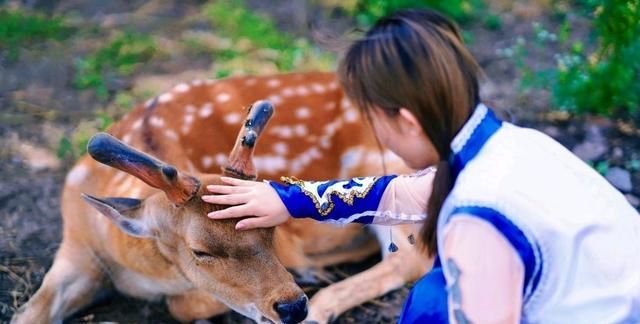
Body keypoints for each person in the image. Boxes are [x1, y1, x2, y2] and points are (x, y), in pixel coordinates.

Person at [202, 9, 640, 323]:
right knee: (436, 292)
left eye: (372, 121)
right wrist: (287, 200)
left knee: (431, 304)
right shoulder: (513, 145)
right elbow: (405, 193)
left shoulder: (477, 215)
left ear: (406, 122)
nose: (376, 135)